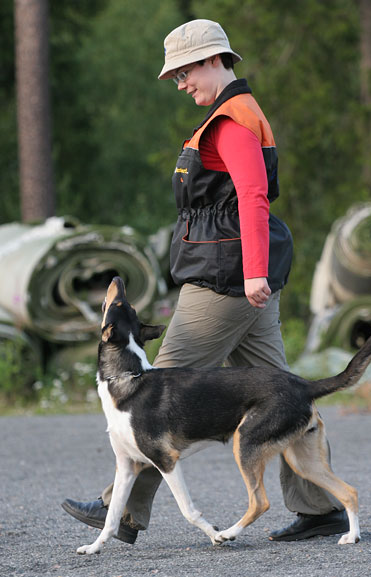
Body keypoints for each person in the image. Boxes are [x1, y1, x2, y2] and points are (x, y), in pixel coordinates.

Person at [62, 19, 348, 544]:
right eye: (175, 75)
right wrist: (256, 271)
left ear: (215, 60)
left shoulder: (231, 123)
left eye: (184, 72)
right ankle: (320, 506)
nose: (180, 83)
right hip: (243, 275)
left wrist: (254, 270)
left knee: (153, 389)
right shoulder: (234, 113)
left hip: (226, 278)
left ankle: (121, 512)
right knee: (282, 393)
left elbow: (253, 197)